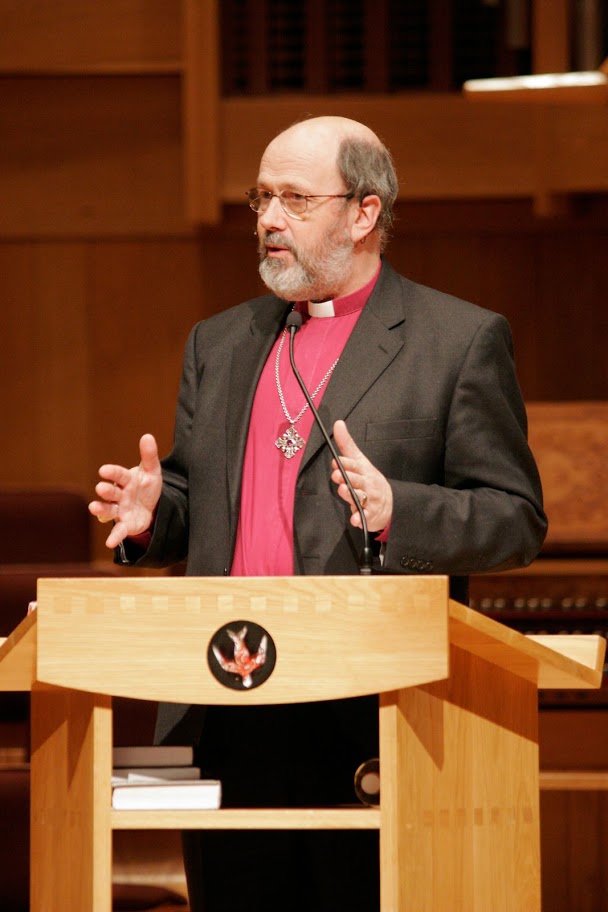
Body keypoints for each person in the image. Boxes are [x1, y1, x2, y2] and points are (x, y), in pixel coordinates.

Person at [89, 115, 547, 912]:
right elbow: (204, 508)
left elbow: (514, 518)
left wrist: (403, 509)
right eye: (261, 198)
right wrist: (157, 514)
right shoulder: (221, 343)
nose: (268, 219)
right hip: (231, 698)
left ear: (364, 213)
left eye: (295, 199)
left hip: (372, 715)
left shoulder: (458, 341)